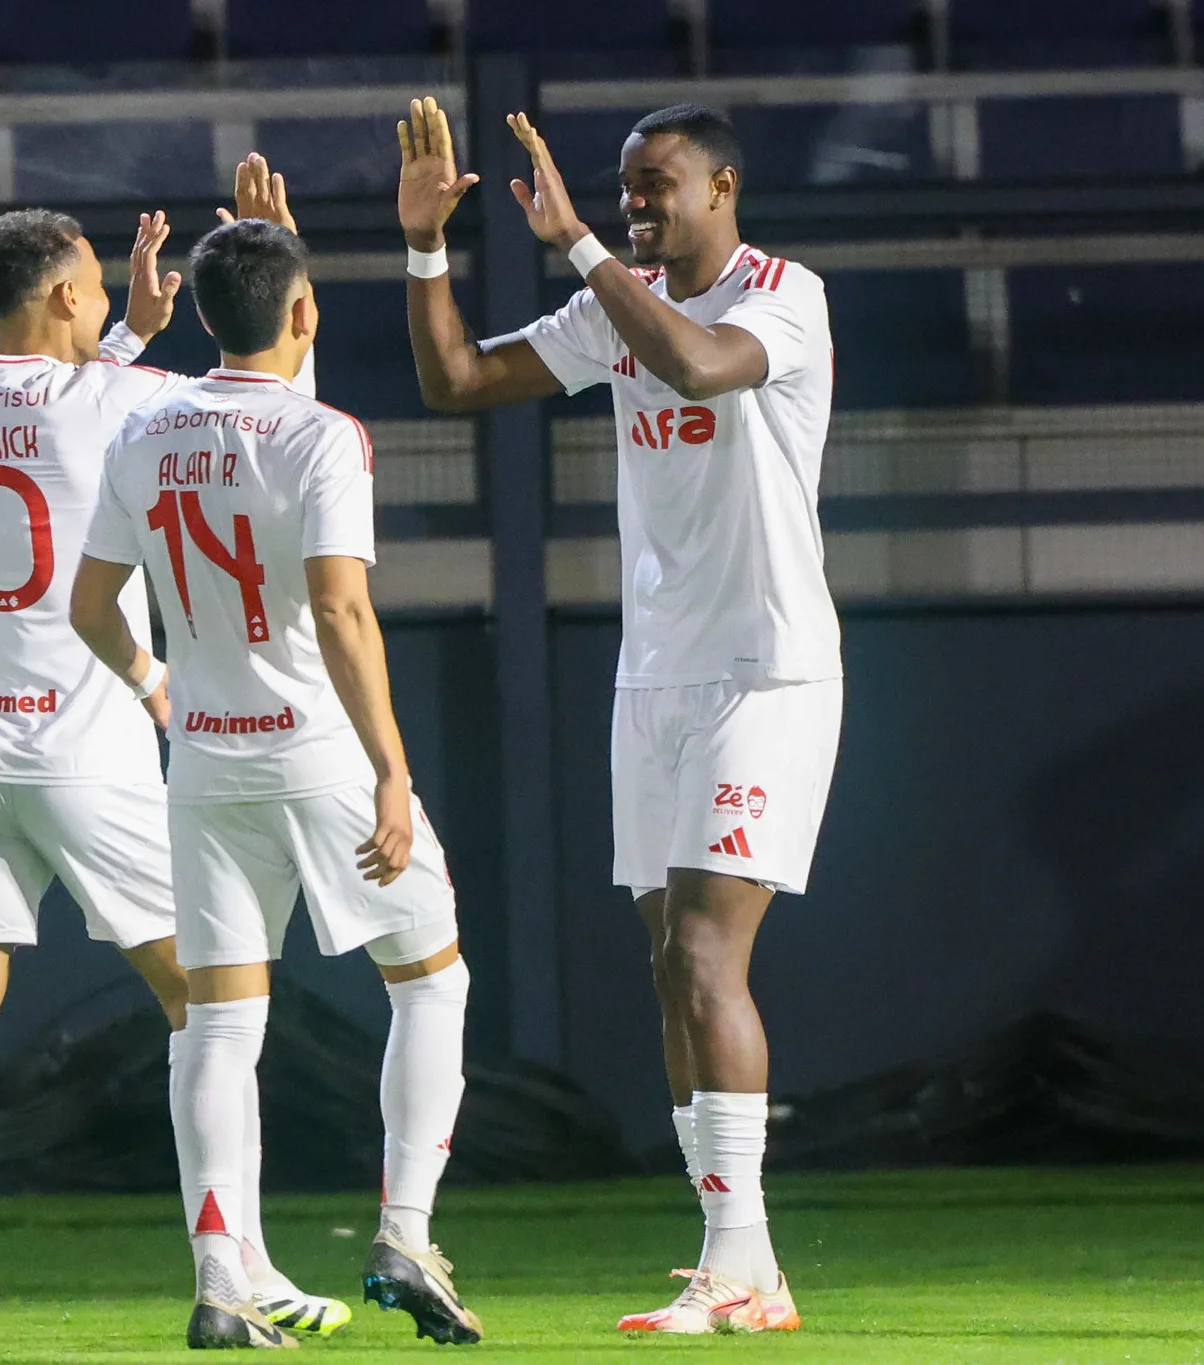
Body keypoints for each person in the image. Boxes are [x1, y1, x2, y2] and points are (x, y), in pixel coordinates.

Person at [395, 96, 840, 1334]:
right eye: (626, 185)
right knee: (667, 968)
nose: (635, 203)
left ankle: (736, 1260)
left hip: (764, 670)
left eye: (657, 184)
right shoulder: (613, 303)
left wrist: (581, 244)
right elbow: (455, 380)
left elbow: (696, 364)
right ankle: (741, 1263)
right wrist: (425, 247)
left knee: (702, 954)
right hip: (653, 677)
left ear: (723, 188)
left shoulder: (781, 296)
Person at [0, 158, 346, 1337]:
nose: (112, 295)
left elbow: (52, 406)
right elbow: (262, 405)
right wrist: (274, 268)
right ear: (61, 295)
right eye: (97, 283)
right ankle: (235, 1268)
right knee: (212, 1005)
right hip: (84, 743)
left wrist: (123, 337)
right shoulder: (121, 401)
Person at [72, 218, 479, 1350]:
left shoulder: (143, 431)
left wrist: (156, 686)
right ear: (303, 313)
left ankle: (219, 1278)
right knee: (429, 982)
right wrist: (392, 770)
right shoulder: (324, 434)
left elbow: (89, 606)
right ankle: (404, 1233)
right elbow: (340, 608)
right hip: (317, 751)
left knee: (216, 1022)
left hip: (206, 758)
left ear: (204, 314)